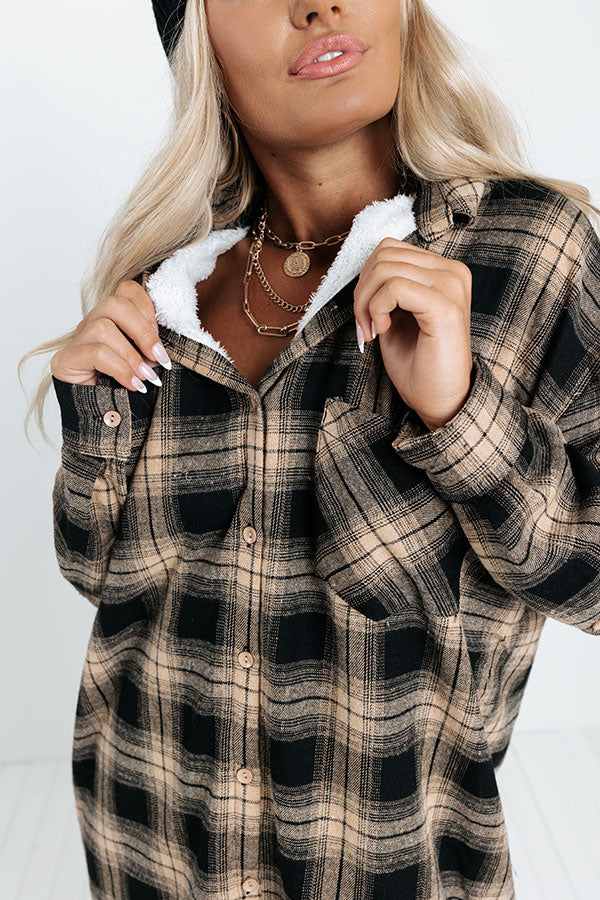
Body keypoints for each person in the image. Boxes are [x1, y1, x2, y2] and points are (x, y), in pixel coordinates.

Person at [18, 2, 600, 898]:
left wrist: (461, 414)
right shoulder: (160, 294)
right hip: (146, 852)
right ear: (195, 41)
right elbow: (102, 579)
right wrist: (91, 424)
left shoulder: (530, 251)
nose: (318, 4)